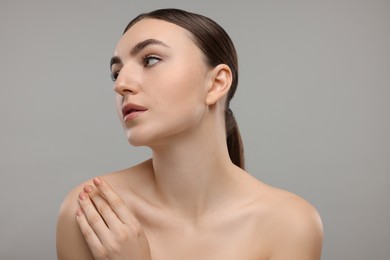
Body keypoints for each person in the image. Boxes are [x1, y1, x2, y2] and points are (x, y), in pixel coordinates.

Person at [56, 8, 323, 260]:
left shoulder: (290, 223)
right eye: (116, 73)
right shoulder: (91, 211)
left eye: (150, 60)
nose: (122, 85)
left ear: (216, 83)